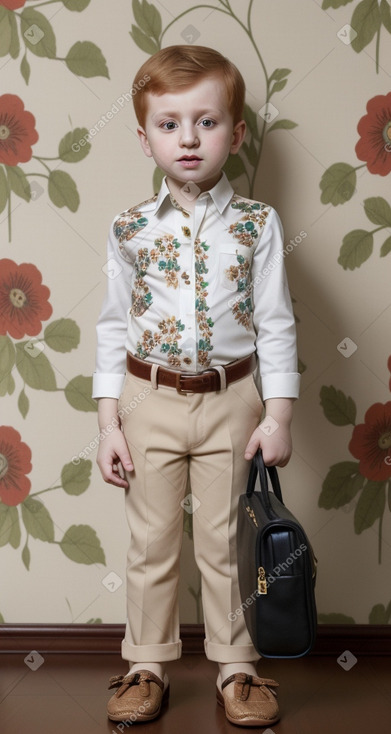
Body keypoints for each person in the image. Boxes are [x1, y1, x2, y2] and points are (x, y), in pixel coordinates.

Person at [93, 44, 300, 727]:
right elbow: (110, 328)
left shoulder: (256, 224)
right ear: (144, 135)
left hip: (231, 402)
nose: (188, 139)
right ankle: (145, 665)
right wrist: (108, 423)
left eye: (206, 122)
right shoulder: (128, 229)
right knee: (151, 542)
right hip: (145, 398)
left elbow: (274, 323)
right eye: (169, 124)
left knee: (224, 541)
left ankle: (236, 669)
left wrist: (277, 414)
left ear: (236, 133)